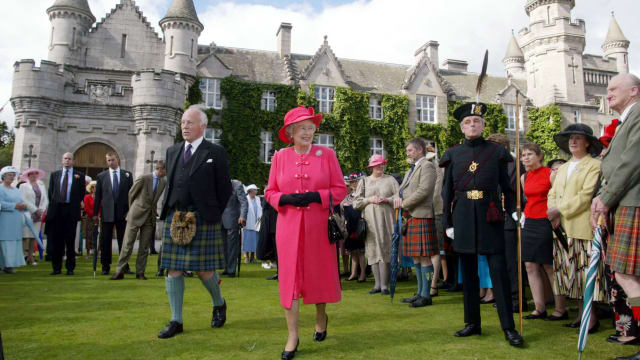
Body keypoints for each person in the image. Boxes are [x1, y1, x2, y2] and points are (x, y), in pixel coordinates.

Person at [265, 105, 346, 359]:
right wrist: (285, 199)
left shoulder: (327, 154)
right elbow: (270, 192)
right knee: (289, 281)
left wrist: (317, 196)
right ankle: (292, 336)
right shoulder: (280, 157)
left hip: (318, 227)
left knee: (318, 276)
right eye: (302, 128)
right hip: (288, 228)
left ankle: (321, 316)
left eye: (311, 128)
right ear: (291, 132)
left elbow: (341, 190)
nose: (308, 132)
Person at [440, 101, 523, 346]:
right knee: (468, 273)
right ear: (462, 128)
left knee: (499, 271)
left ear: (483, 125)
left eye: (476, 121)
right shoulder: (453, 154)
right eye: (467, 122)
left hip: (491, 213)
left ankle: (508, 327)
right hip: (463, 214)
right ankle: (472, 323)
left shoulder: (496, 151)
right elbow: (446, 193)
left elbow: (509, 187)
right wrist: (448, 221)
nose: (472, 124)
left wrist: (516, 209)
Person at [157, 106, 232, 339]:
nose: (184, 126)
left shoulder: (215, 153)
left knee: (204, 271)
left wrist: (211, 213)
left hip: (202, 218)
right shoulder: (173, 151)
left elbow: (225, 190)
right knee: (173, 269)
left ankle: (219, 303)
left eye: (190, 122)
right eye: (182, 122)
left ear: (203, 126)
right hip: (176, 217)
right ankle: (176, 320)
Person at [590, 73, 640, 360]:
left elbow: (633, 161)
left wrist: (606, 197)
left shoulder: (638, 115)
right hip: (626, 201)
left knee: (626, 273)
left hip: (632, 202)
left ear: (633, 90)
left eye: (613, 89)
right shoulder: (628, 119)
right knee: (626, 273)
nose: (607, 94)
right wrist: (603, 195)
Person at [547, 123, 604, 332]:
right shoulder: (562, 168)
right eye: (571, 138)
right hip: (561, 227)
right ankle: (582, 313)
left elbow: (586, 195)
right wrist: (551, 212)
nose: (573, 141)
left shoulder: (594, 165)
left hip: (581, 225)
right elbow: (552, 192)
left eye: (578, 138)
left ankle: (591, 316)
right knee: (572, 274)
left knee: (585, 273)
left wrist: (559, 210)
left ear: (588, 143)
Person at [518, 143, 566, 321]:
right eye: (523, 155)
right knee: (529, 265)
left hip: (546, 222)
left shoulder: (551, 174)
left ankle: (560, 308)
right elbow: (527, 199)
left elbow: (559, 198)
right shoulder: (524, 177)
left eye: (529, 154)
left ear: (540, 156)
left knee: (549, 266)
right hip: (529, 222)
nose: (525, 158)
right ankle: (539, 308)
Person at [392, 138, 438, 307]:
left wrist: (404, 203)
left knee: (425, 258)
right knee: (416, 258)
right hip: (410, 216)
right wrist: (391, 199)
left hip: (422, 215)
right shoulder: (412, 169)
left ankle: (426, 295)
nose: (407, 153)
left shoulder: (427, 166)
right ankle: (419, 292)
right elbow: (401, 190)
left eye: (410, 150)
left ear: (419, 150)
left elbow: (424, 191)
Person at [487, 133, 528, 313]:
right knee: (501, 262)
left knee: (513, 263)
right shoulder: (496, 164)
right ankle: (505, 297)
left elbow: (511, 192)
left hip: (511, 218)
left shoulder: (513, 164)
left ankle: (518, 300)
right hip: (496, 219)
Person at [110, 160, 167, 280]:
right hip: (136, 214)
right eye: (166, 171)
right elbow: (131, 194)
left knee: (144, 246)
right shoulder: (144, 178)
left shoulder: (163, 181)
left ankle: (140, 272)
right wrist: (132, 210)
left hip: (149, 217)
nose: (167, 173)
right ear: (160, 169)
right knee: (127, 244)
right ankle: (120, 271)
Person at [353, 154, 398, 296]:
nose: (380, 166)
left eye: (382, 164)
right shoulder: (364, 182)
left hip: (386, 221)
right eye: (377, 165)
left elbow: (399, 196)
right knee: (372, 251)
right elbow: (356, 203)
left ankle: (385, 285)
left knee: (385, 250)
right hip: (370, 223)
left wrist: (387, 199)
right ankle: (377, 284)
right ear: (371, 167)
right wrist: (369, 199)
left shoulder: (390, 180)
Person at [45, 152, 86, 275]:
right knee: (57, 240)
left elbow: (81, 193)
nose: (67, 161)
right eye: (65, 158)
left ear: (73, 161)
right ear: (62, 160)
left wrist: (74, 205)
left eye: (69, 159)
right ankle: (56, 268)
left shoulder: (79, 176)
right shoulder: (55, 175)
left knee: (70, 240)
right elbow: (51, 192)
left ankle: (70, 268)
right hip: (57, 210)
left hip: (71, 211)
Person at [93, 152, 133, 275]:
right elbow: (98, 196)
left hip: (122, 213)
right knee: (105, 240)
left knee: (123, 241)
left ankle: (124, 265)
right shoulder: (101, 176)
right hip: (107, 213)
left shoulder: (127, 175)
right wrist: (95, 214)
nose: (111, 162)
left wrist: (129, 211)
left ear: (118, 160)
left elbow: (131, 195)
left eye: (112, 160)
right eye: (108, 160)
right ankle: (105, 266)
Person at [0, 166, 27, 274]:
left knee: (14, 242)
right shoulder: (0, 189)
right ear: (3, 176)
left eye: (13, 175)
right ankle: (4, 264)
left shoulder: (16, 190)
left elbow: (20, 201)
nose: (11, 177)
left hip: (15, 220)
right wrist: (14, 206)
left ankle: (9, 265)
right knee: (4, 242)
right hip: (5, 219)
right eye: (9, 175)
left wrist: (23, 205)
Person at [19, 168, 48, 266]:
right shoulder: (23, 186)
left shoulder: (41, 185)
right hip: (27, 213)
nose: (34, 176)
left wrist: (41, 210)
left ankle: (30, 257)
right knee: (25, 236)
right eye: (32, 174)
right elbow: (23, 199)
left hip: (38, 215)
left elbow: (45, 199)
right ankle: (22, 256)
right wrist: (35, 209)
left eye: (36, 174)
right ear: (28, 175)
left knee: (34, 236)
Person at [341, 172, 367, 282]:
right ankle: (353, 273)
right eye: (352, 182)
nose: (354, 184)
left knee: (360, 252)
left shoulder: (363, 195)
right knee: (352, 252)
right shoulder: (347, 197)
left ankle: (363, 274)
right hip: (350, 226)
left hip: (359, 226)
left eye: (356, 181)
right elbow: (342, 208)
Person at [220, 179, 247, 277]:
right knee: (224, 246)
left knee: (232, 246)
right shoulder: (217, 183)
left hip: (232, 219)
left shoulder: (237, 185)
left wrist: (243, 216)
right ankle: (226, 268)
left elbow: (244, 202)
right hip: (220, 220)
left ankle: (231, 270)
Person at [242, 184, 262, 264]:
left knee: (255, 241)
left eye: (256, 190)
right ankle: (246, 257)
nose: (256, 191)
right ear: (250, 191)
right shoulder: (245, 199)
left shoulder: (257, 199)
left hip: (256, 223)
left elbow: (260, 208)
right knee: (247, 241)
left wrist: (260, 217)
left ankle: (253, 258)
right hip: (248, 222)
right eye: (255, 190)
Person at [83, 181, 97, 259]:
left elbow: (100, 206)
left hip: (97, 218)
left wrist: (97, 215)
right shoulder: (87, 197)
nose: (94, 188)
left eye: (95, 187)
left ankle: (97, 251)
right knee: (89, 235)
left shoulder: (99, 197)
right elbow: (86, 207)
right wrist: (93, 215)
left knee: (97, 235)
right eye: (93, 187)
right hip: (89, 218)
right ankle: (88, 252)